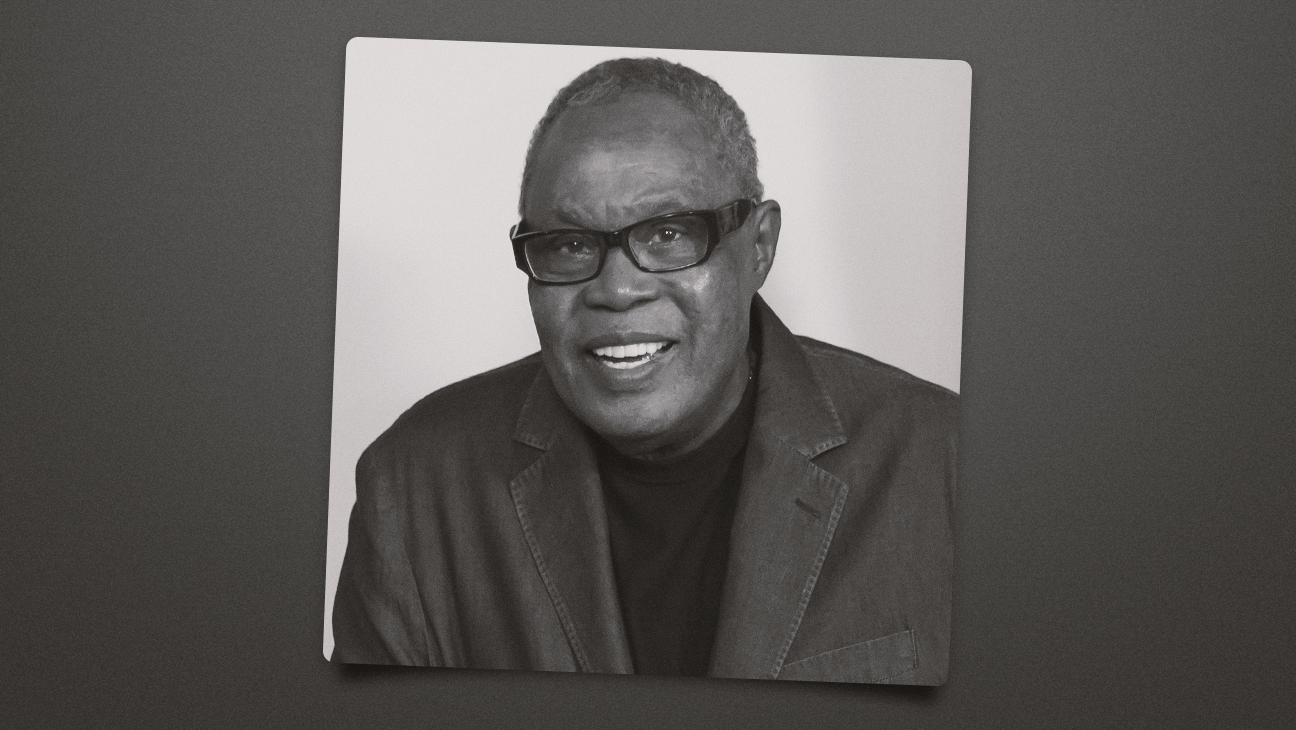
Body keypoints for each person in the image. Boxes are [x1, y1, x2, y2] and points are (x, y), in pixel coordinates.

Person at [332, 57, 958, 685]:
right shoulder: (413, 489)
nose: (617, 289)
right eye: (570, 244)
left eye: (668, 234)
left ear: (760, 246)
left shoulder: (944, 460)